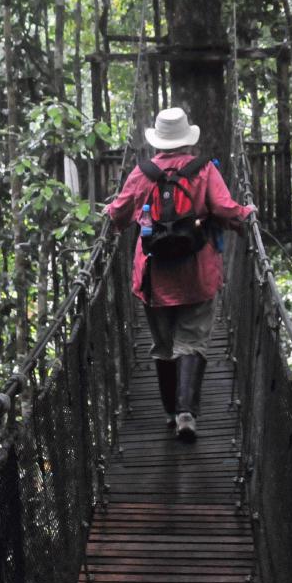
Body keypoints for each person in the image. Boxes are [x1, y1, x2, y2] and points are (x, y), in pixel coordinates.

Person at [104, 108, 255, 441]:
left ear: (158, 140)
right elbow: (226, 208)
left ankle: (170, 411)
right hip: (197, 273)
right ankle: (187, 412)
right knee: (192, 341)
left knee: (163, 345)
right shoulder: (203, 171)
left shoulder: (141, 173)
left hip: (154, 276)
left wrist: (110, 215)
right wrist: (246, 215)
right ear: (187, 139)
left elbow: (118, 214)